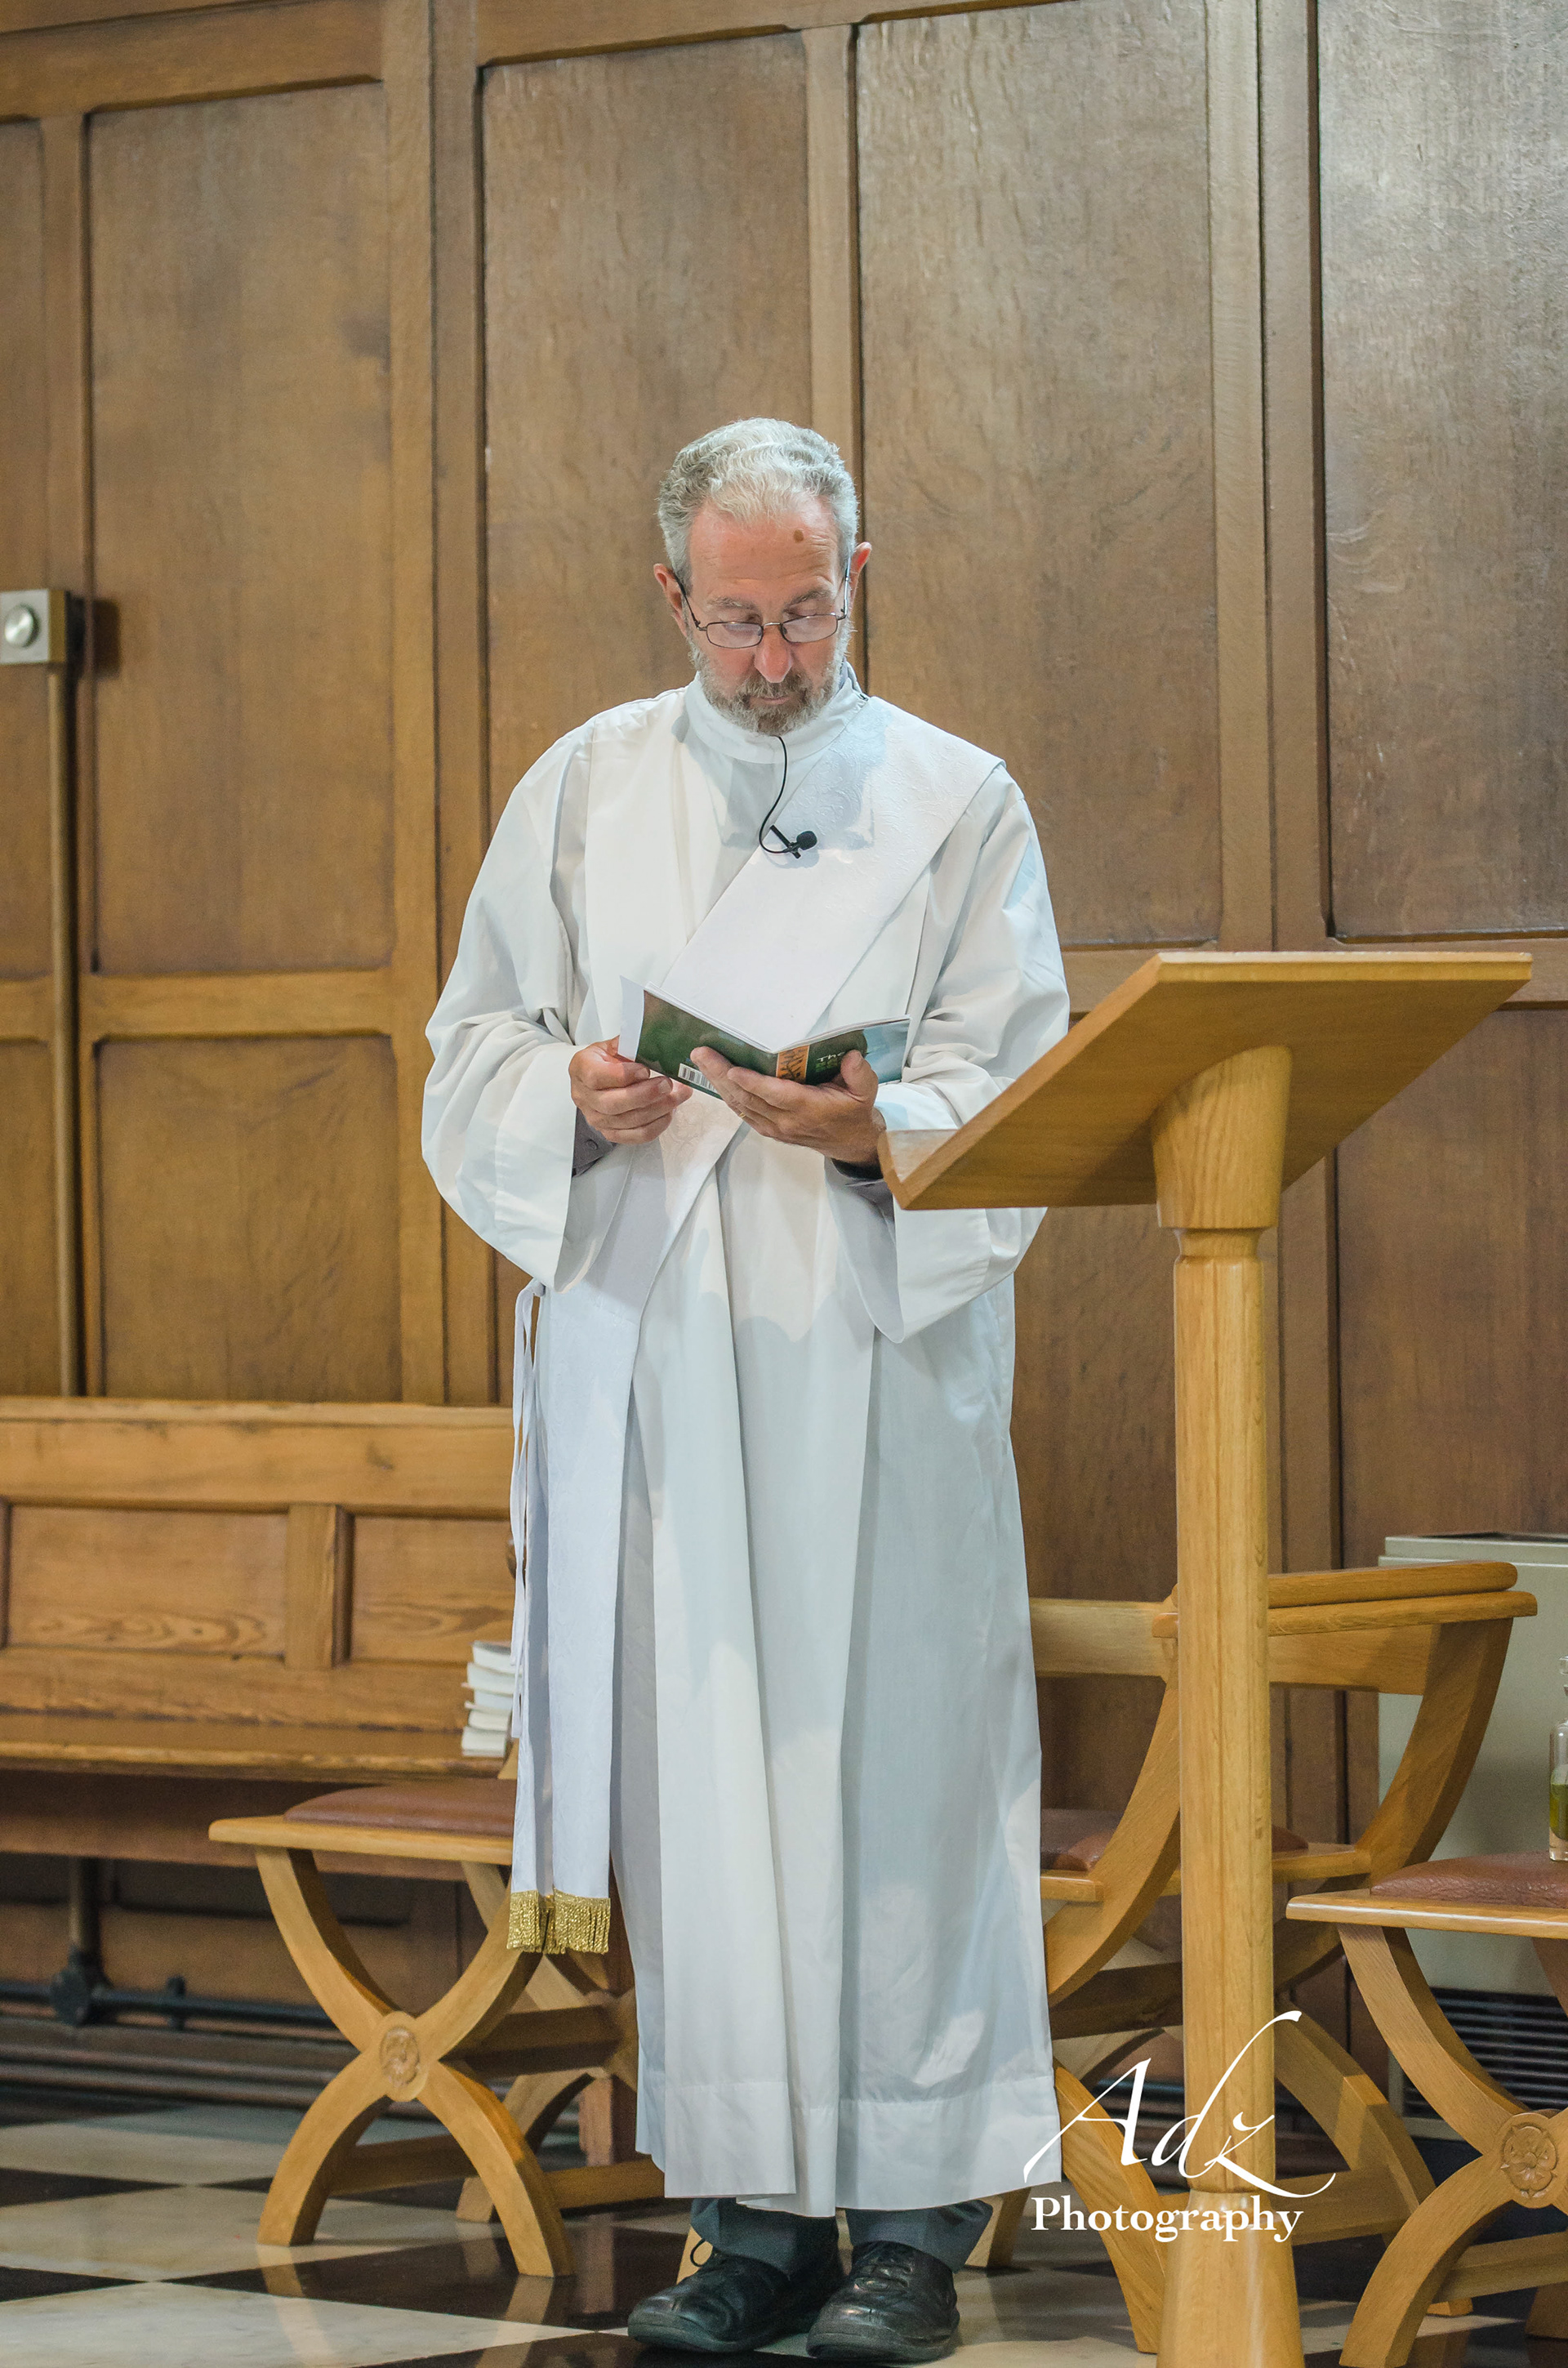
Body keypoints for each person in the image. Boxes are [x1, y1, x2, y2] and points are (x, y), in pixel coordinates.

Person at [423, 419, 1069, 2363]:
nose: (774, 657)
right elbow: (472, 1046)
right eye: (736, 620)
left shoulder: (955, 801)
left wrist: (876, 1127)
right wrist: (574, 1095)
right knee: (708, 1785)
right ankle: (751, 2221)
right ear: (670, 595)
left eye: (804, 614)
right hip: (667, 1363)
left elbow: (1020, 1077)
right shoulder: (583, 786)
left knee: (898, 1780)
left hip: (874, 1358)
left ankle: (914, 2230)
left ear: (855, 578)